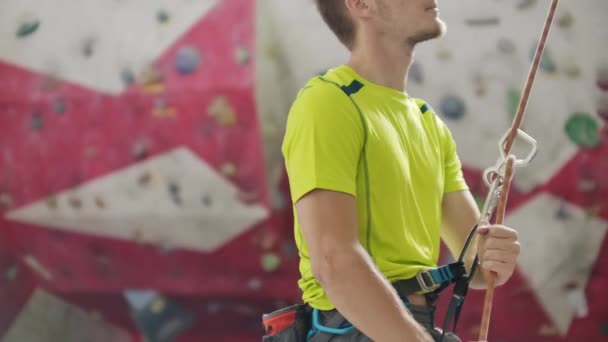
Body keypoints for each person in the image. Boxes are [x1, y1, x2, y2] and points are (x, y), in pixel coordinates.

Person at [264, 1, 521, 341]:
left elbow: (473, 262)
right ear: (361, 5)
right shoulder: (328, 102)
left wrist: (495, 256)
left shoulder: (428, 122)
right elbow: (334, 261)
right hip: (355, 327)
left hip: (411, 325)